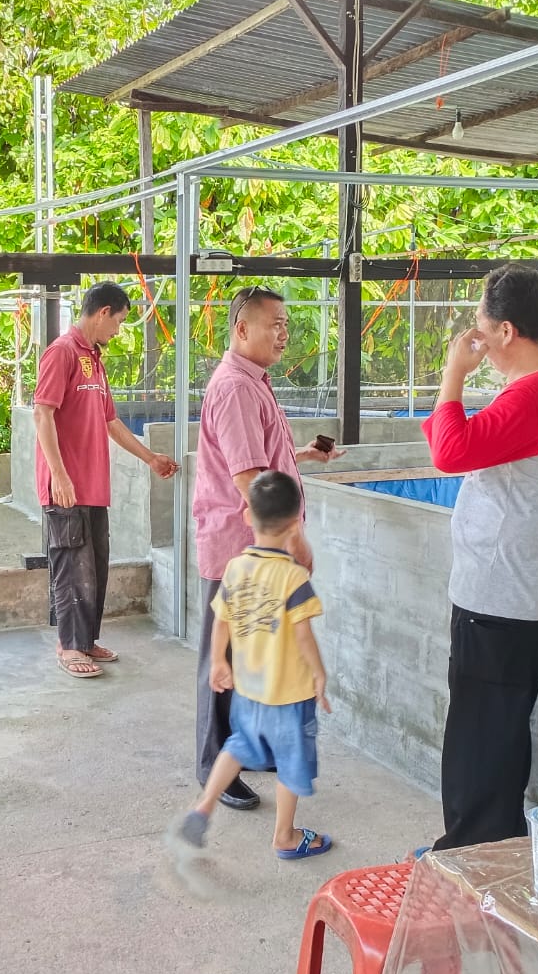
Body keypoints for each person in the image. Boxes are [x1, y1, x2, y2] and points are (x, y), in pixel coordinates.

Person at [422, 264, 538, 851]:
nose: (476, 339)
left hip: (501, 593)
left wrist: (453, 373)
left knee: (478, 729)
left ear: (507, 332)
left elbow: (450, 450)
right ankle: (495, 840)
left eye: (482, 328)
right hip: (528, 587)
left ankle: (470, 851)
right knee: (498, 724)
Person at [191, 287, 339, 810]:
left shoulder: (254, 384)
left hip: (258, 545)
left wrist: (301, 456)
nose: (282, 333)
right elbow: (248, 476)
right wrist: (293, 536)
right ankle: (214, 763)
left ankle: (251, 747)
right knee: (225, 657)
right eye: (273, 323)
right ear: (241, 328)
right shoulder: (234, 387)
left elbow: (262, 454)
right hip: (240, 545)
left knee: (257, 651)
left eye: (285, 324)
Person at [172, 471, 333, 860]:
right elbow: (303, 636)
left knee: (238, 746)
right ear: (295, 524)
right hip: (289, 696)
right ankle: (285, 836)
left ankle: (205, 805)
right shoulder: (294, 577)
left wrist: (217, 664)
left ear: (247, 517)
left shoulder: (235, 569)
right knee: (290, 764)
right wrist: (319, 674)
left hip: (249, 690)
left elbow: (221, 622)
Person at [34, 282, 178, 678]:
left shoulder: (94, 360)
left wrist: (150, 458)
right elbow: (42, 414)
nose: (118, 330)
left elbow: (110, 420)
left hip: (94, 486)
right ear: (102, 313)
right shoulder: (61, 353)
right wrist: (59, 476)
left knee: (94, 567)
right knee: (70, 565)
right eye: (118, 321)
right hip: (66, 486)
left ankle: (86, 640)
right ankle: (68, 646)